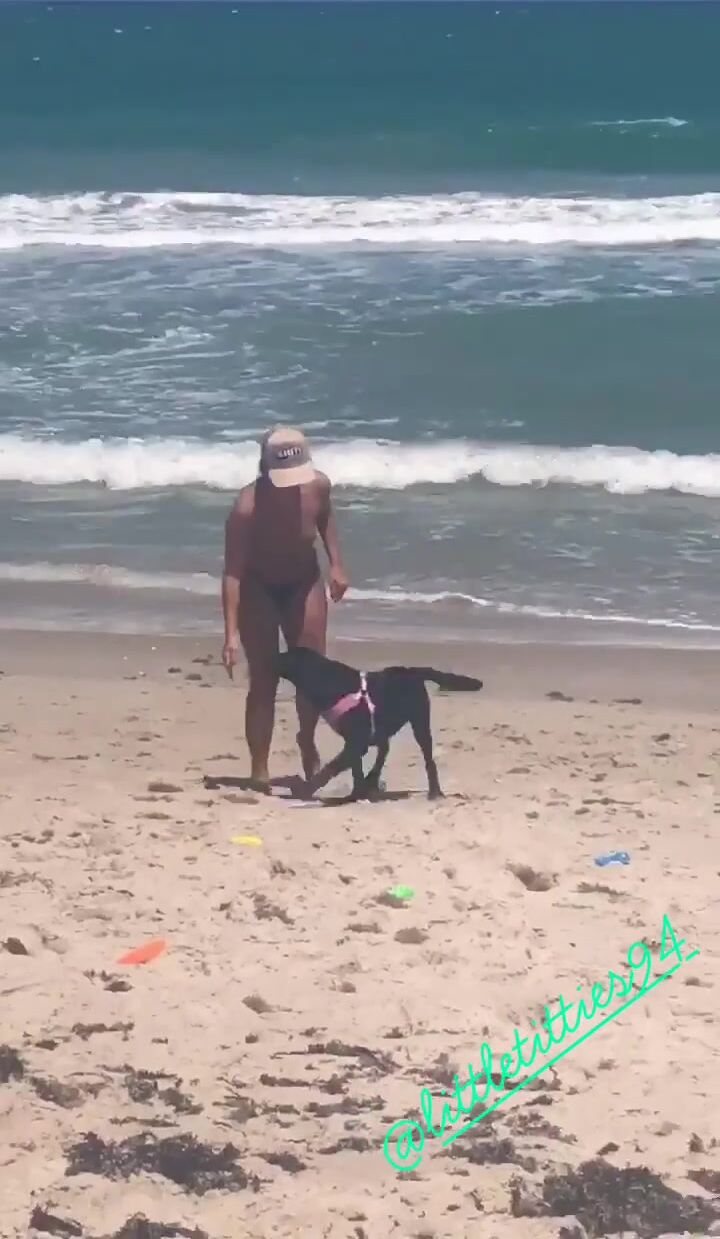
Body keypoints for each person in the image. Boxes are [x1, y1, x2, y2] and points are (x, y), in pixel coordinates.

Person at [221, 427, 349, 792]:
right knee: (264, 679)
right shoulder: (246, 508)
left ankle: (307, 741)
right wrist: (230, 635)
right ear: (265, 468)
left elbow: (325, 519)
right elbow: (232, 573)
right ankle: (259, 770)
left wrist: (336, 563)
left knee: (311, 673)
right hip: (257, 587)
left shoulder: (318, 486)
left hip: (303, 582)